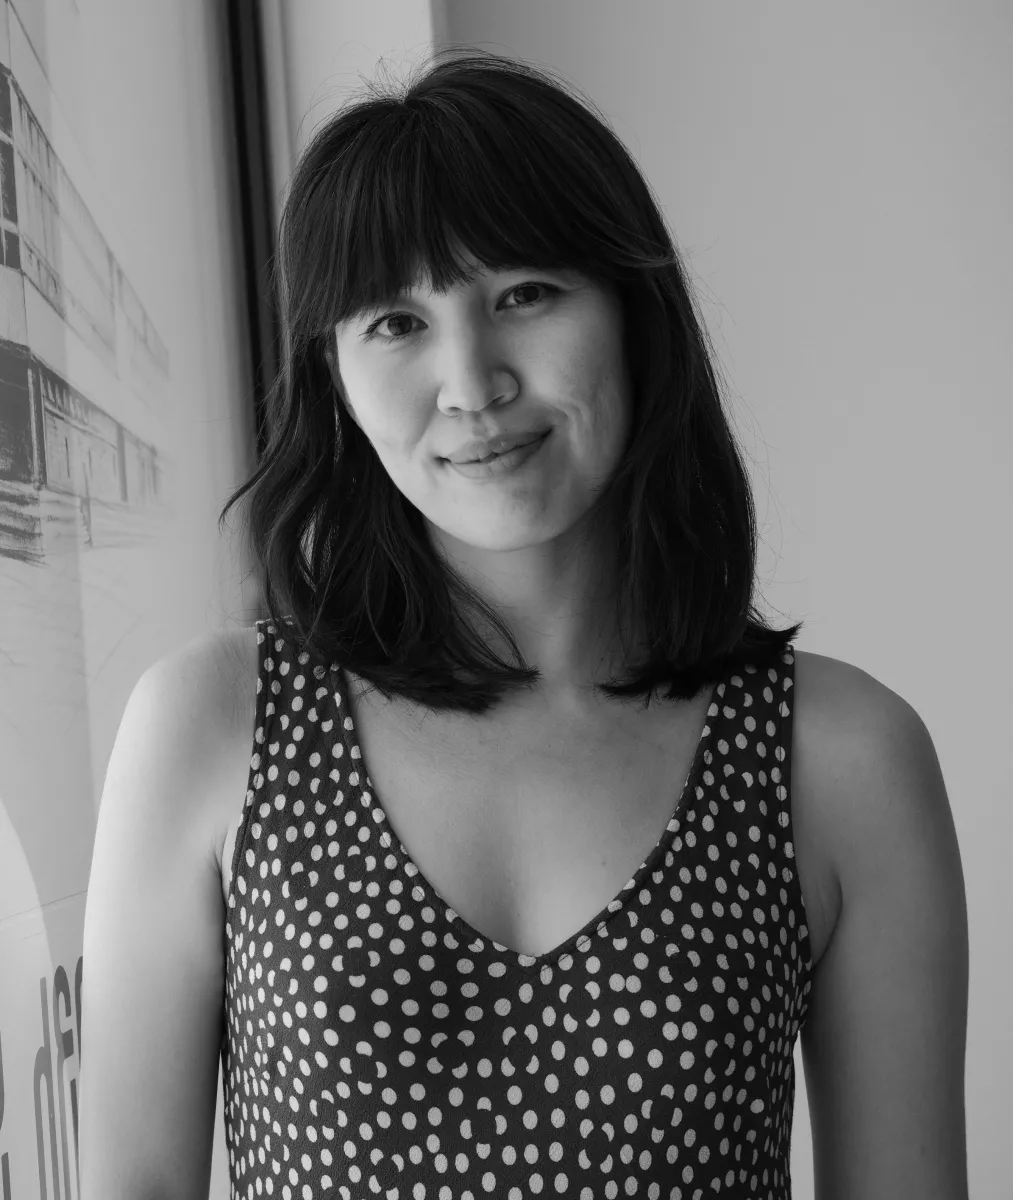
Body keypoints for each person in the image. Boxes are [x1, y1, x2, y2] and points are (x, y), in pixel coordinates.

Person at [78, 48, 969, 1200]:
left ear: (634, 315)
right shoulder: (213, 727)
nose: (471, 382)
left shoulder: (840, 759)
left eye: (524, 295)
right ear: (332, 376)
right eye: (394, 322)